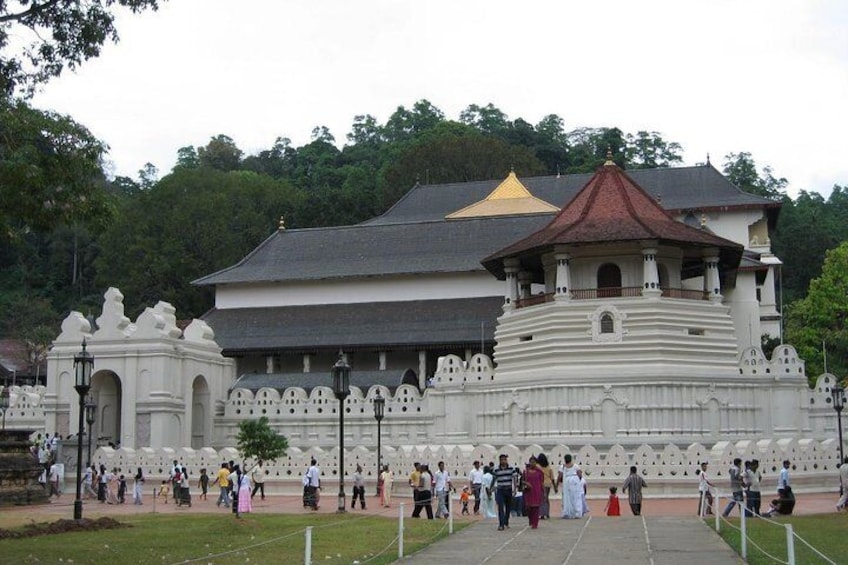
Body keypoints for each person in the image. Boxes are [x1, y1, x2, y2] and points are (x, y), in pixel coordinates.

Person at [493, 453, 516, 531]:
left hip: (508, 489)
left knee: (508, 507)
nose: (503, 461)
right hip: (500, 490)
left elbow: (514, 479)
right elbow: (494, 479)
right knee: (500, 507)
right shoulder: (496, 469)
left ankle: (506, 521)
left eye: (504, 459)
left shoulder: (511, 468)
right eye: (502, 459)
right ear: (499, 460)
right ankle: (501, 524)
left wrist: (515, 489)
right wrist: (491, 488)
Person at [558, 454, 583, 519]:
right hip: (574, 480)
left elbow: (559, 476)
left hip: (566, 481)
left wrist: (556, 484)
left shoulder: (562, 467)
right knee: (576, 497)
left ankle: (567, 513)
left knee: (566, 497)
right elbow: (580, 474)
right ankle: (577, 513)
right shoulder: (575, 466)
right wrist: (578, 482)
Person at [523, 456, 544, 528]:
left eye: (534, 462)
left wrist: (543, 492)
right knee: (529, 508)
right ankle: (531, 520)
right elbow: (522, 481)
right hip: (528, 492)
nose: (532, 464)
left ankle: (535, 523)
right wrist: (526, 484)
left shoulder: (539, 472)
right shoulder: (526, 472)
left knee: (536, 508)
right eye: (531, 462)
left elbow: (542, 482)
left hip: (537, 491)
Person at [537, 453, 556, 520]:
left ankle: (542, 513)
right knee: (546, 498)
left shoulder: (538, 467)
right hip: (548, 484)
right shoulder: (548, 467)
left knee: (542, 499)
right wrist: (555, 487)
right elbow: (552, 478)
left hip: (541, 483)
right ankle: (547, 513)